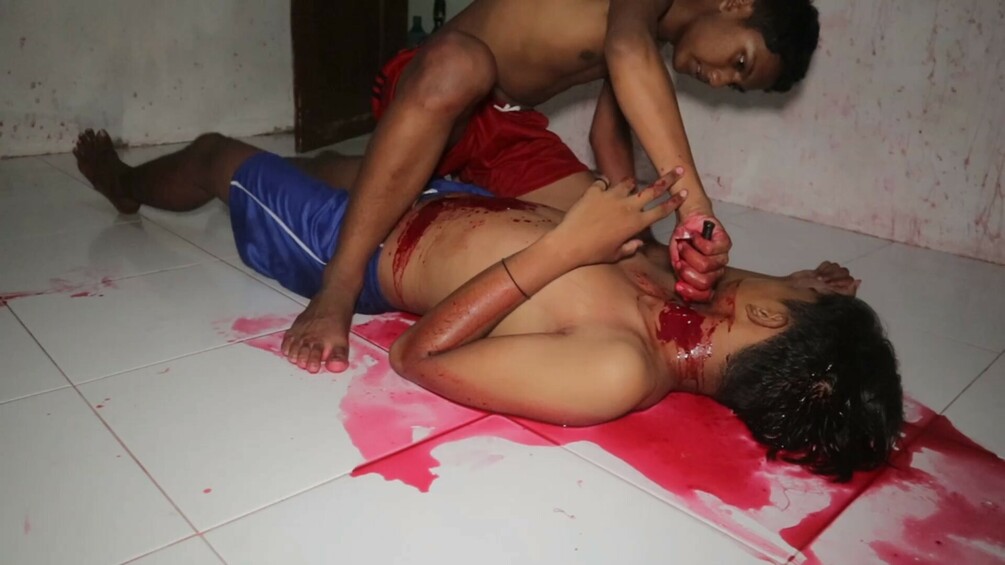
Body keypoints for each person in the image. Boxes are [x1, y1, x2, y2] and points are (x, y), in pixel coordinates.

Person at [74, 130, 902, 481]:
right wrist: (796, 281)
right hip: (443, 200)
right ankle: (296, 167)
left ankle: (129, 185)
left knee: (219, 157)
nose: (772, 283)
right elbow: (708, 281)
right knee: (331, 159)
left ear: (770, 321)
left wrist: (562, 248)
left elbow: (418, 356)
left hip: (360, 250)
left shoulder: (618, 368)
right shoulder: (680, 306)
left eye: (788, 295)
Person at [284, 0, 822, 371]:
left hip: (505, 126)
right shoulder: (637, 28)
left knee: (616, 233)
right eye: (739, 61)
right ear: (735, 3)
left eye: (737, 84)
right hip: (437, 83)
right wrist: (694, 205)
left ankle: (381, 171)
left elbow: (607, 139)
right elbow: (627, 51)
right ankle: (339, 282)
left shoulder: (647, 38)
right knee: (462, 64)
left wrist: (652, 232)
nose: (721, 79)